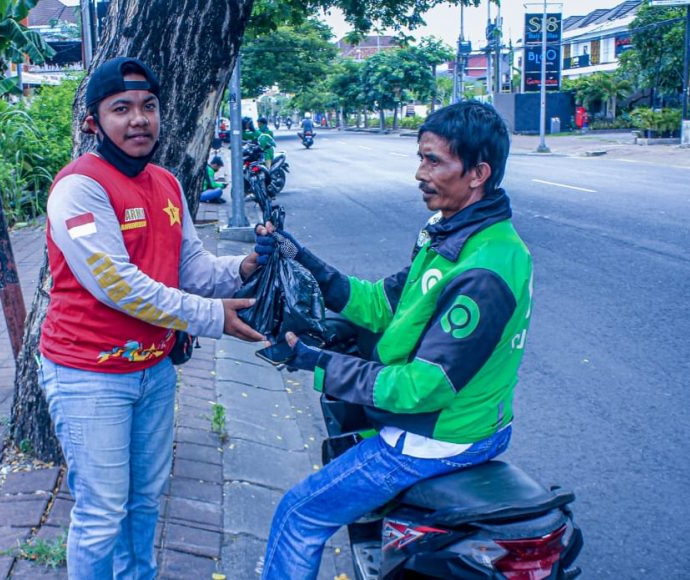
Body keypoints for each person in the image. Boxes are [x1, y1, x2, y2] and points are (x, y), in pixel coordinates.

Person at [256, 101, 532, 579]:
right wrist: (299, 255)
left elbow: (421, 387)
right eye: (421, 158)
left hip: (436, 435)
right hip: (464, 421)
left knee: (298, 515)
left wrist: (315, 361)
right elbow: (379, 304)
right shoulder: (452, 237)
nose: (420, 174)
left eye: (434, 161)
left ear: (477, 174)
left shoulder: (484, 268)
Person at [39, 56, 268, 580]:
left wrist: (244, 267)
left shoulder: (166, 182)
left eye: (149, 106)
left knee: (144, 501)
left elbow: (192, 268)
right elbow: (116, 284)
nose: (139, 119)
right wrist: (211, 317)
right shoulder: (79, 188)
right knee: (101, 514)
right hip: (88, 374)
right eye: (121, 108)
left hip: (154, 370)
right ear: (93, 122)